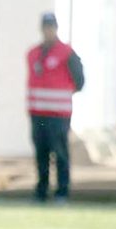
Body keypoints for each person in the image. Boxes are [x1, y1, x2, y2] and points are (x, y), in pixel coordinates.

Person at [26, 12, 84, 203]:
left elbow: (79, 81)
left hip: (58, 115)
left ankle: (62, 192)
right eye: (45, 27)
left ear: (56, 28)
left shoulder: (66, 52)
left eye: (51, 27)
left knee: (60, 153)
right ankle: (41, 191)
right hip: (37, 113)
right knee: (41, 154)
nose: (48, 30)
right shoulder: (33, 53)